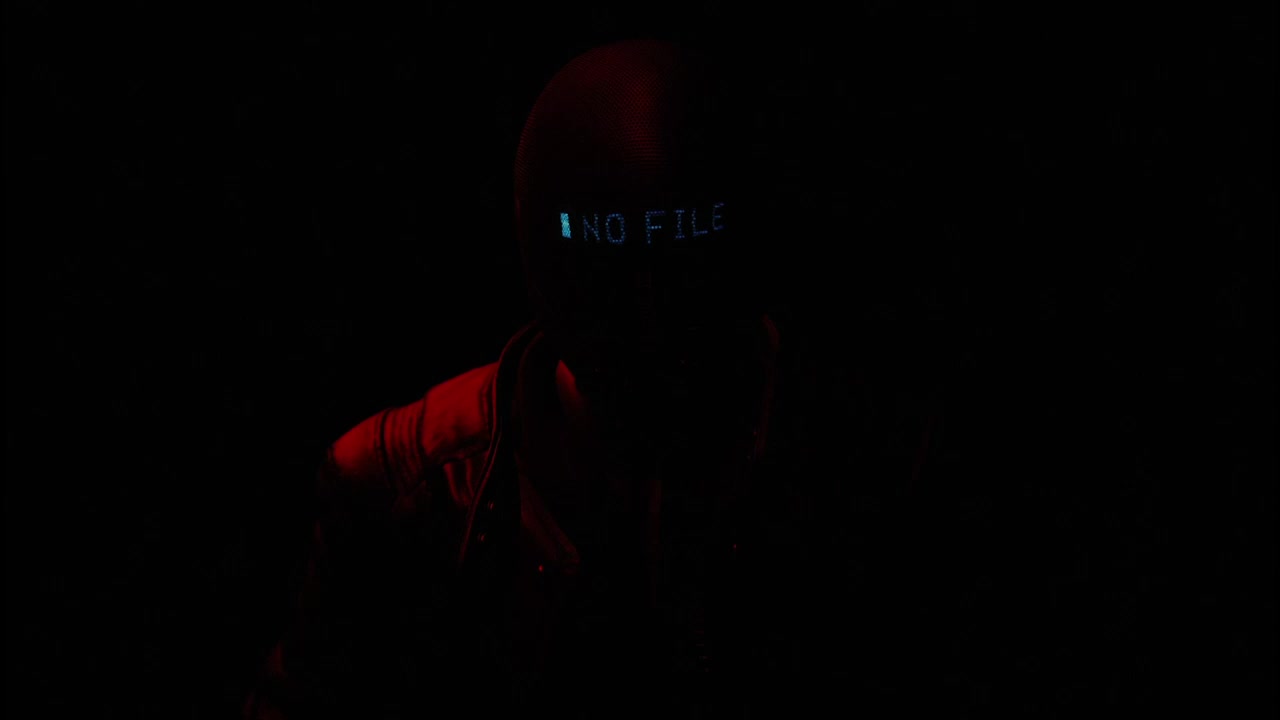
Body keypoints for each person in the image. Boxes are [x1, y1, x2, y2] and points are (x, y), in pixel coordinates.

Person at [245, 38, 935, 717]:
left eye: (684, 268)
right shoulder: (400, 484)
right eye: (612, 271)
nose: (652, 317)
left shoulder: (863, 458)